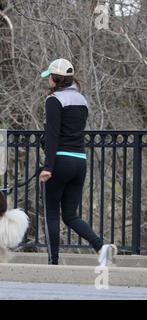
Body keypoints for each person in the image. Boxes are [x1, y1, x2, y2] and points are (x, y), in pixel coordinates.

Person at [39, 58, 117, 266]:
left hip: (60, 162)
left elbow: (53, 135)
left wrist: (48, 167)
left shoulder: (54, 100)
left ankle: (53, 262)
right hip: (79, 161)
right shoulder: (82, 100)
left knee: (52, 213)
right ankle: (101, 247)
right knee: (70, 215)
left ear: (55, 79)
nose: (48, 82)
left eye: (49, 78)